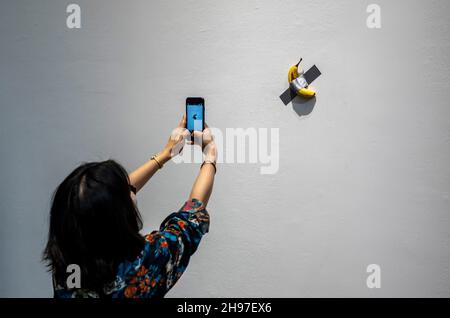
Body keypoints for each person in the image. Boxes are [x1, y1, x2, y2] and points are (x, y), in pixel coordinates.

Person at [43, 115, 217, 298]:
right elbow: (192, 216)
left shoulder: (67, 264)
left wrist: (166, 154)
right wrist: (210, 155)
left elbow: (106, 198)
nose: (131, 191)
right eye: (127, 194)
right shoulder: (145, 264)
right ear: (117, 217)